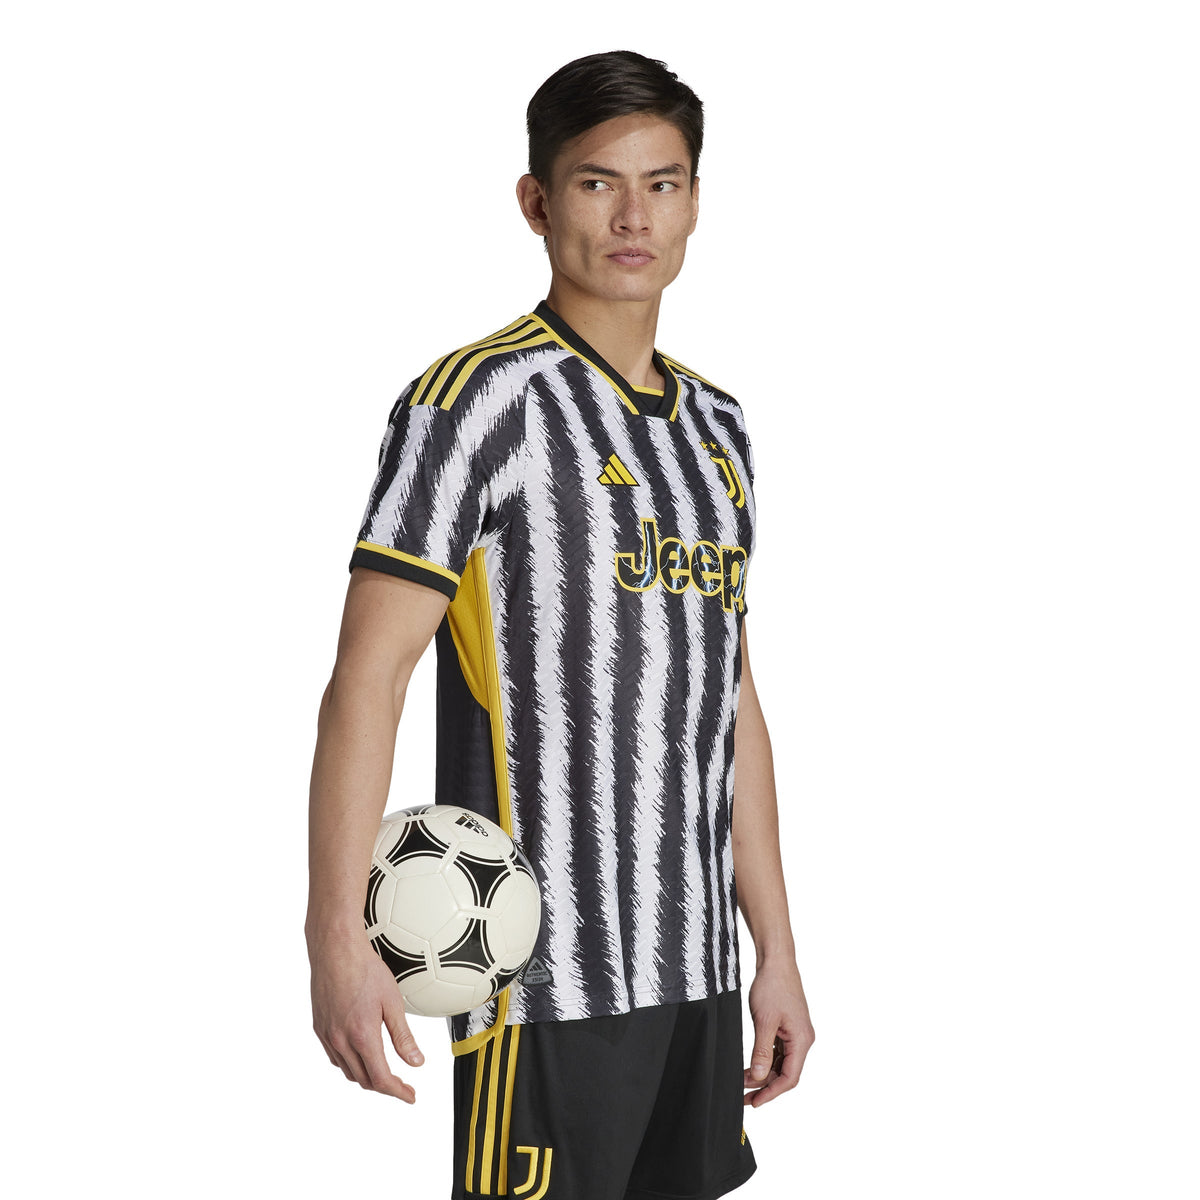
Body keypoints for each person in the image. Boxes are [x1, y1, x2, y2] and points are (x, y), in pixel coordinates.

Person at [306, 49, 814, 1200]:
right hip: (539, 976)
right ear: (537, 202)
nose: (634, 217)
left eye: (662, 184)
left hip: (696, 975)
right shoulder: (472, 402)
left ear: (695, 201)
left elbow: (729, 698)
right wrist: (335, 935)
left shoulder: (720, 430)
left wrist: (775, 952)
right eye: (597, 183)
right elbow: (368, 677)